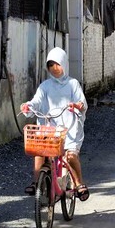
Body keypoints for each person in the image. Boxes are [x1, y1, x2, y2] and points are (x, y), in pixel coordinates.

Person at [20, 47, 90, 201]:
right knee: (39, 152)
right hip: (50, 129)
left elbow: (82, 102)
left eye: (57, 64)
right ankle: (36, 182)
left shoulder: (73, 84)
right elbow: (36, 101)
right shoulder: (45, 86)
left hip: (69, 129)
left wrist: (78, 105)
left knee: (70, 156)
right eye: (51, 65)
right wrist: (28, 106)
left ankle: (79, 184)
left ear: (64, 64)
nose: (54, 68)